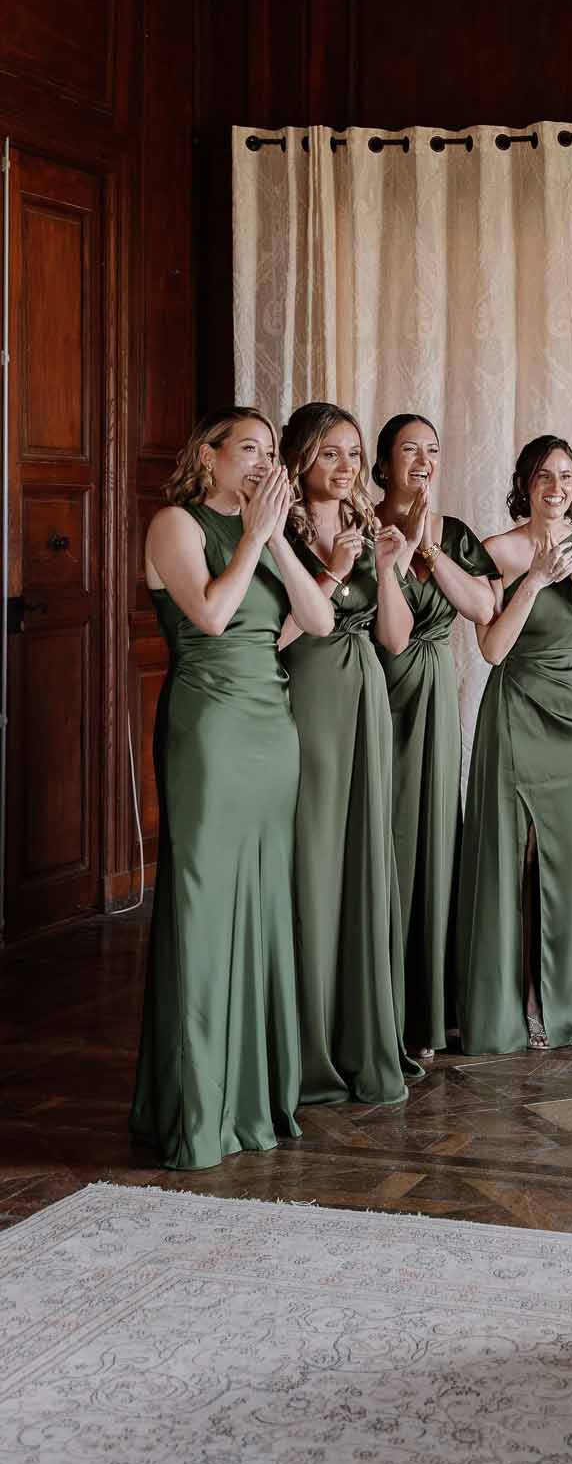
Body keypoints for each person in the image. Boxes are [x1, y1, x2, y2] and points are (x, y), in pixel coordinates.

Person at [131, 406, 333, 1171]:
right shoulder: (175, 526)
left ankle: (253, 1099)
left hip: (271, 732)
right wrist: (252, 536)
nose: (262, 462)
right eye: (248, 447)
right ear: (208, 456)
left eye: (271, 452)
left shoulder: (265, 531)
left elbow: (315, 620)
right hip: (210, 730)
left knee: (263, 904)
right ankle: (197, 1109)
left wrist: (275, 537)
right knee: (204, 906)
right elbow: (213, 617)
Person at [456, 435, 572, 1054]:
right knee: (524, 861)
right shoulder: (496, 551)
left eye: (566, 477)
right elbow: (492, 649)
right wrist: (533, 580)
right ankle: (526, 1000)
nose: (556, 488)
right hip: (518, 715)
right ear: (525, 485)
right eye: (544, 477)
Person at [279, 402, 414, 1107]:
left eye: (354, 454)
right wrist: (332, 571)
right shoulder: (278, 531)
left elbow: (395, 638)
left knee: (363, 856)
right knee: (314, 857)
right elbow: (272, 633)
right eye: (330, 452)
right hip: (308, 700)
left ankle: (361, 1034)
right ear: (301, 457)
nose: (345, 466)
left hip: (365, 697)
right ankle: (307, 1040)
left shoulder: (363, 524)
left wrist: (386, 570)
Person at [372, 413, 496, 1062]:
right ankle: (378, 1006)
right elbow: (376, 625)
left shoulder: (455, 534)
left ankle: (428, 1011)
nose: (423, 461)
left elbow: (482, 607)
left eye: (432, 450)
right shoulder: (361, 525)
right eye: (409, 450)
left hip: (435, 695)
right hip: (375, 692)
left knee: (433, 835)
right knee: (383, 837)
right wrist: (397, 549)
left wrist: (427, 548)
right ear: (383, 464)